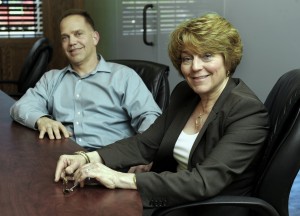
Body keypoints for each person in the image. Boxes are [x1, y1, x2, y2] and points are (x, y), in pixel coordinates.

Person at [54, 13, 269, 216]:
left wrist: (122, 178)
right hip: (175, 202)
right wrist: (87, 157)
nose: (195, 67)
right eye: (187, 58)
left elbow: (204, 181)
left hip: (208, 210)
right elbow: (145, 143)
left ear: (228, 59)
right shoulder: (186, 93)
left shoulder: (247, 112)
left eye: (207, 56)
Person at [10, 9, 161, 151]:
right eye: (65, 37)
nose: (72, 42)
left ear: (95, 37)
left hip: (111, 162)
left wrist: (143, 154)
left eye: (78, 34)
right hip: (64, 159)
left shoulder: (124, 76)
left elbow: (150, 118)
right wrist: (42, 120)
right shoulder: (51, 78)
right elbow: (20, 107)